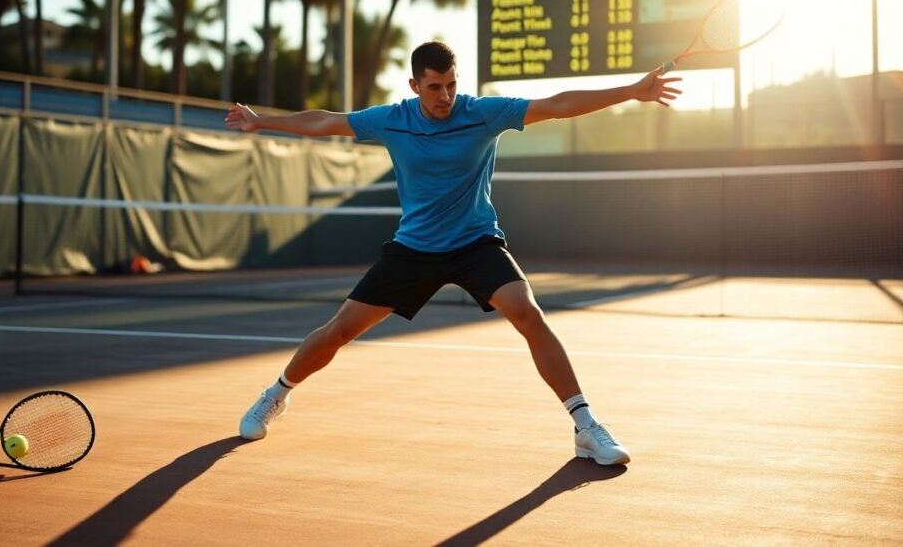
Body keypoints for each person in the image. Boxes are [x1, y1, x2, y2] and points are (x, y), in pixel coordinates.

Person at [224, 40, 681, 465]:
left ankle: (585, 426)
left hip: (474, 243)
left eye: (451, 84)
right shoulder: (392, 118)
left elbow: (558, 106)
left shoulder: (483, 113)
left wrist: (631, 90)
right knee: (339, 331)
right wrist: (260, 121)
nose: (444, 96)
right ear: (415, 86)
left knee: (528, 313)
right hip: (414, 248)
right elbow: (325, 121)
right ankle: (276, 395)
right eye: (434, 87)